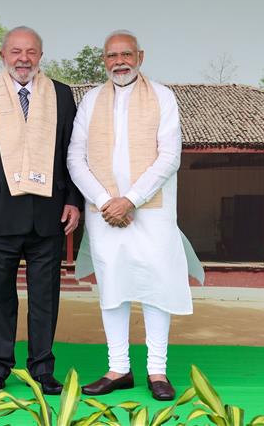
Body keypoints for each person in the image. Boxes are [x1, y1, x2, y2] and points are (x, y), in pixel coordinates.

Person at [68, 29, 203, 401]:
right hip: (103, 212)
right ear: (103, 61)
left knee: (156, 287)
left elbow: (169, 156)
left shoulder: (163, 96)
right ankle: (118, 369)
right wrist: (103, 199)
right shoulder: (91, 101)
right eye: (112, 56)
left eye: (126, 54)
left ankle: (157, 370)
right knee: (113, 287)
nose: (119, 62)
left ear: (141, 57)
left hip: (152, 212)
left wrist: (130, 199)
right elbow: (74, 157)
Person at [0, 26, 82, 397]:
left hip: (49, 214)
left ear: (40, 56)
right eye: (15, 51)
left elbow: (72, 154)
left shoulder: (61, 95)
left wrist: (74, 199)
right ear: (2, 55)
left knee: (46, 296)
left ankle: (43, 368)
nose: (23, 59)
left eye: (30, 52)